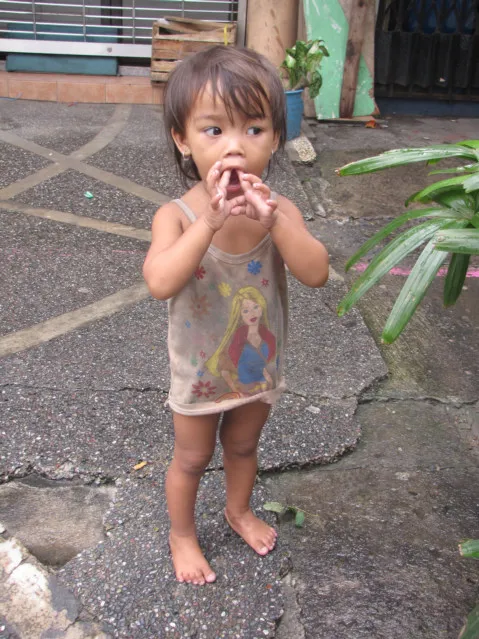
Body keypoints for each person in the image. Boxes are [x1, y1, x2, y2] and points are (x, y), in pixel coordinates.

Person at [143, 45, 329, 586]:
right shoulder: (177, 216)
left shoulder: (279, 210)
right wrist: (209, 222)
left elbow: (316, 272)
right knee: (192, 457)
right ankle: (182, 534)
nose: (235, 146)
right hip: (200, 372)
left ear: (275, 138)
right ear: (183, 139)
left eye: (254, 129)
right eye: (213, 130)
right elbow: (159, 281)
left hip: (256, 367)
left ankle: (238, 509)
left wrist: (276, 224)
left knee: (244, 445)